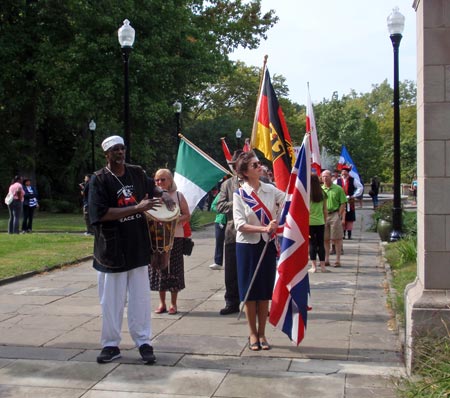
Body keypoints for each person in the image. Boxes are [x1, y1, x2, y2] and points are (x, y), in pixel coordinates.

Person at [89, 135, 174, 364]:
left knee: (140, 300)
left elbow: (152, 188)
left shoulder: (136, 172)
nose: (120, 152)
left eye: (122, 148)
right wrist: (137, 207)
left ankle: (144, 342)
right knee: (111, 302)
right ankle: (110, 345)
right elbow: (100, 214)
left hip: (137, 247)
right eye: (115, 149)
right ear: (106, 154)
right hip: (111, 251)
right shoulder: (99, 180)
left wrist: (164, 195)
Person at [233, 151, 285, 351]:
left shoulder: (270, 190)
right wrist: (264, 228)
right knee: (249, 292)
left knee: (264, 292)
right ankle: (252, 333)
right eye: (254, 165)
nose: (259, 167)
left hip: (267, 245)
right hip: (247, 246)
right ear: (245, 172)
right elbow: (240, 224)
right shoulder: (240, 195)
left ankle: (263, 333)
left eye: (259, 164)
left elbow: (290, 200)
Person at [149, 168, 190, 315]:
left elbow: (187, 215)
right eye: (157, 180)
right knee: (159, 270)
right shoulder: (150, 196)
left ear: (170, 180)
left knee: (174, 270)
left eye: (163, 179)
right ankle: (162, 303)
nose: (159, 182)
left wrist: (172, 221)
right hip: (156, 240)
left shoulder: (178, 196)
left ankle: (173, 304)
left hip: (175, 238)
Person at [216, 151, 242, 315]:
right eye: (234, 166)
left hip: (255, 233)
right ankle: (232, 302)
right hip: (233, 232)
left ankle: (255, 301)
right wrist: (238, 201)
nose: (236, 168)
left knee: (253, 270)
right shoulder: (227, 185)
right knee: (231, 271)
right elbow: (220, 206)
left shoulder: (259, 182)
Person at [321, 169, 347, 267]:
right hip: (323, 215)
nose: (325, 178)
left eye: (327, 176)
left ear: (331, 177)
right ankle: (326, 259)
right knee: (325, 238)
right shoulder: (321, 189)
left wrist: (339, 215)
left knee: (337, 238)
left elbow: (343, 203)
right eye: (323, 176)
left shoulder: (338, 188)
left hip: (334, 214)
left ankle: (337, 260)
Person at [335, 166, 363, 240]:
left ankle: (349, 234)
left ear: (348, 173)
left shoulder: (352, 180)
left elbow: (360, 187)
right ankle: (343, 234)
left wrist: (354, 195)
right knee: (341, 217)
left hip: (349, 201)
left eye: (345, 172)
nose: (344, 173)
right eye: (342, 172)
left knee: (350, 218)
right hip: (340, 202)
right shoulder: (337, 181)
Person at [308, 174, 328, 273]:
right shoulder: (322, 193)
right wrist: (325, 220)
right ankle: (323, 266)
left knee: (312, 244)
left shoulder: (307, 193)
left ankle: (314, 266)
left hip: (309, 222)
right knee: (321, 243)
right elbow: (325, 210)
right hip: (320, 222)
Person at [209, 188, 226, 270]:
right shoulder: (221, 194)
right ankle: (218, 262)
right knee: (219, 241)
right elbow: (213, 206)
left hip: (233, 221)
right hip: (220, 221)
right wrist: (221, 209)